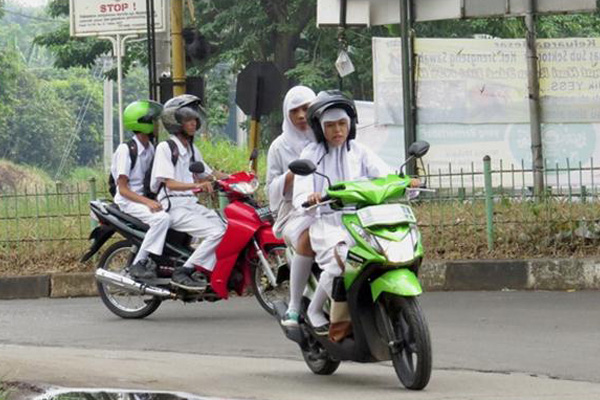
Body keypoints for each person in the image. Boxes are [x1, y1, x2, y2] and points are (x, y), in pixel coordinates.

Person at [293, 91, 401, 335]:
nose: (337, 130)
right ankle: (315, 309)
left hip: (362, 222)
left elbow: (385, 174)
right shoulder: (311, 154)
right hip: (326, 222)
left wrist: (405, 182)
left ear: (351, 125)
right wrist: (310, 198)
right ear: (320, 129)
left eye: (342, 124)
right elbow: (301, 190)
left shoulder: (359, 151)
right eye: (330, 126)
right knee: (342, 258)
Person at [151, 94, 229, 291]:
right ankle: (184, 271)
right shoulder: (165, 148)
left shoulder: (192, 150)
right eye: (188, 119)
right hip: (173, 206)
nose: (193, 123)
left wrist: (238, 179)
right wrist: (198, 186)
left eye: (195, 118)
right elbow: (169, 184)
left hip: (190, 205)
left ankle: (204, 272)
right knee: (216, 232)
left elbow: (210, 173)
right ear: (175, 121)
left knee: (227, 227)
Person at [266, 85, 317, 327]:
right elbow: (271, 189)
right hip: (294, 210)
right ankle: (295, 305)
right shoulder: (279, 147)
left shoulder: (327, 137)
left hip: (331, 206)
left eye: (306, 108)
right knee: (308, 236)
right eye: (294, 111)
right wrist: (293, 174)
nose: (301, 116)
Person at [111, 99, 167, 280]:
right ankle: (139, 263)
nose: (157, 125)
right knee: (161, 219)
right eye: (153, 121)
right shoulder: (126, 150)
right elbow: (123, 190)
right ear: (142, 124)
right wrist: (148, 202)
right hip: (128, 201)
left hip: (142, 198)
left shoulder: (151, 148)